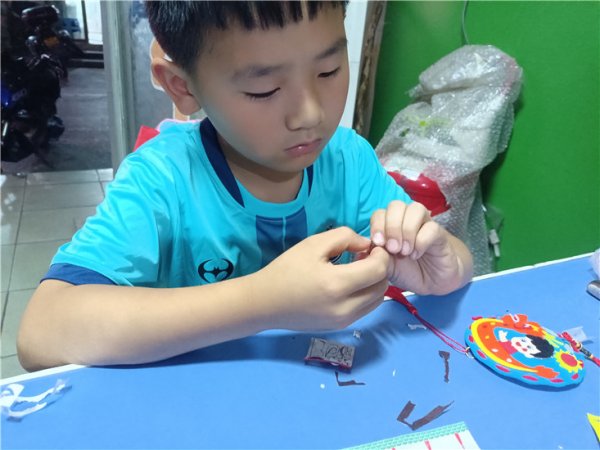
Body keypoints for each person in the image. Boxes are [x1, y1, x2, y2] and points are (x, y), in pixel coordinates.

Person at [17, 1, 473, 371]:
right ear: (182, 86)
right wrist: (264, 301)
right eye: (264, 90)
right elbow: (42, 332)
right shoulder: (163, 178)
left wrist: (444, 264)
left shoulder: (348, 159)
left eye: (329, 70)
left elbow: (454, 260)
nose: (310, 114)